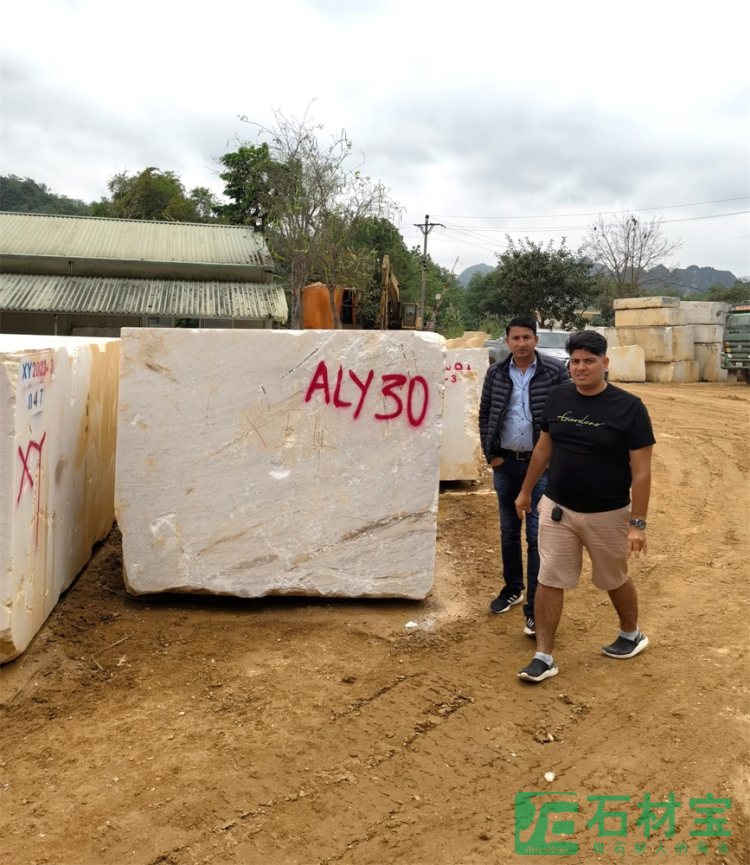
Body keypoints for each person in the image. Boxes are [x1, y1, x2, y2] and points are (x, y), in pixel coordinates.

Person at [514, 330, 655, 683]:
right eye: (575, 361)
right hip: (559, 508)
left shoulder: (630, 408)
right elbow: (544, 448)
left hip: (608, 512)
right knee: (549, 578)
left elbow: (642, 471)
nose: (580, 367)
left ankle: (630, 633)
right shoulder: (558, 397)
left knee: (613, 578)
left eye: (589, 361)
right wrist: (526, 490)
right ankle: (544, 655)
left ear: (605, 363)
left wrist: (638, 523)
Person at [478, 316, 569, 637]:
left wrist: (553, 462)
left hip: (541, 467)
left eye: (527, 337)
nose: (521, 343)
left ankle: (534, 609)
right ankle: (512, 589)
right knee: (507, 531)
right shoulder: (496, 373)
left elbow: (564, 418)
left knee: (536, 537)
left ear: (536, 340)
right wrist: (492, 455)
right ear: (507, 341)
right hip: (506, 464)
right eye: (515, 338)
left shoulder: (555, 372)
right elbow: (486, 413)